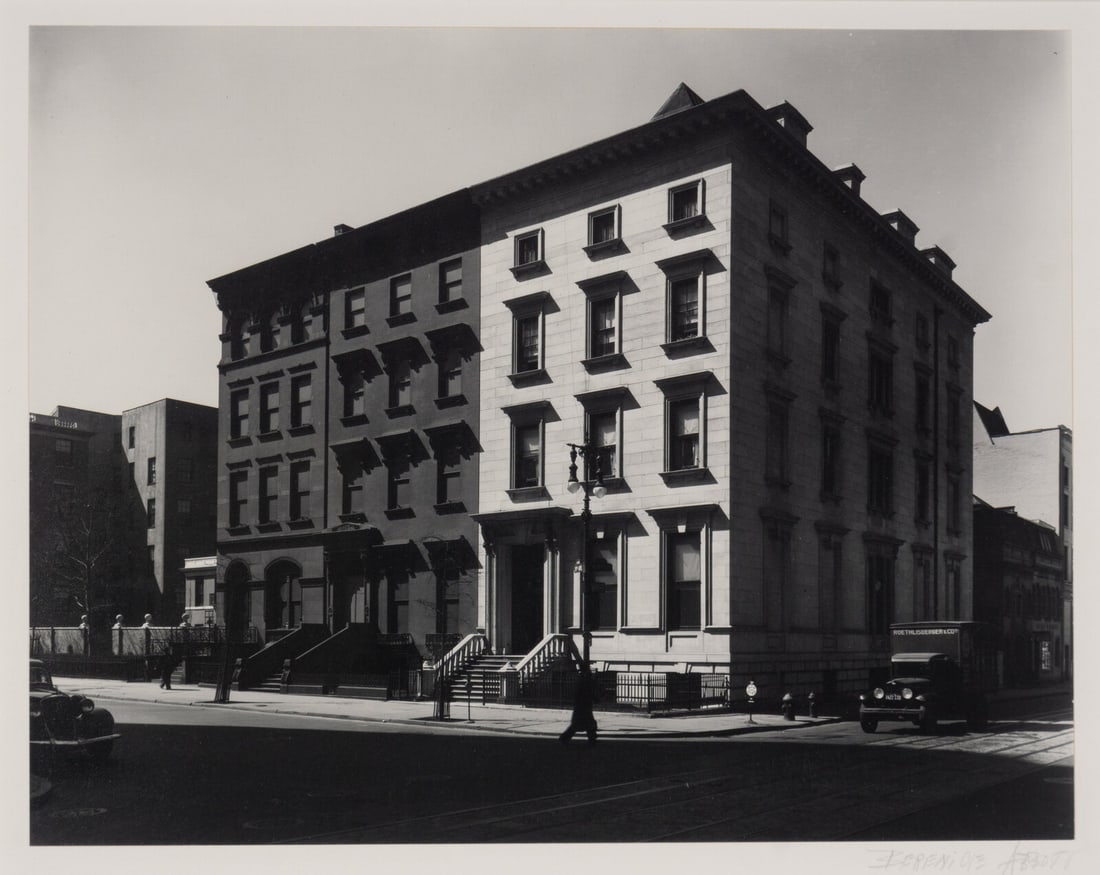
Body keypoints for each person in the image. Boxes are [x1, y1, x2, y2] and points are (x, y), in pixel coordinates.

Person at [559, 668, 598, 744]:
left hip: (582, 705)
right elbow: (586, 693)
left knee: (585, 723)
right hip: (583, 705)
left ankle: (592, 737)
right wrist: (594, 698)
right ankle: (591, 737)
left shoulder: (582, 681)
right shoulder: (584, 682)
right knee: (584, 723)